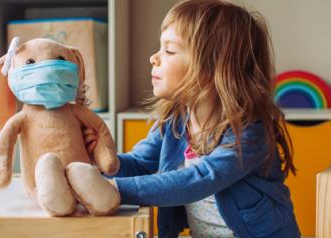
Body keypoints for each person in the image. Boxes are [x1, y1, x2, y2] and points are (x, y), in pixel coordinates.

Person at [84, 0, 300, 237]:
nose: (153, 58)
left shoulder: (248, 132)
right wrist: (101, 163)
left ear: (213, 67)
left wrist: (113, 190)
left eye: (169, 50)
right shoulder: (174, 121)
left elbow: (198, 179)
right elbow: (139, 164)